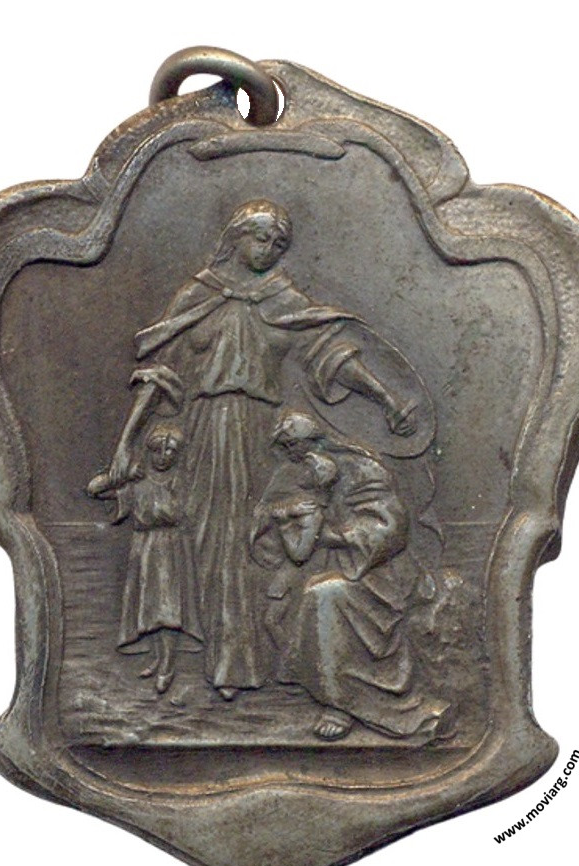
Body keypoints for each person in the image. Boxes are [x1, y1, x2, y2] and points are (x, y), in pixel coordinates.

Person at [103, 198, 430, 700]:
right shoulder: (198, 294)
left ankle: (248, 664)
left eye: (279, 244)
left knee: (253, 542)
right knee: (208, 542)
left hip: (261, 435)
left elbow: (330, 355)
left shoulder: (281, 298)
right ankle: (214, 660)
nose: (269, 250)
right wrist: (127, 444)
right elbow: (158, 375)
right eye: (261, 239)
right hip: (204, 432)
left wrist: (386, 399)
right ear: (235, 237)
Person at [251, 411, 450, 741]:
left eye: (294, 446)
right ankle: (307, 682)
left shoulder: (365, 470)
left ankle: (343, 701)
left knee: (325, 595)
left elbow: (390, 530)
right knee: (278, 598)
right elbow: (275, 517)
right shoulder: (297, 471)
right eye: (285, 448)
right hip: (317, 560)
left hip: (375, 572)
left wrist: (333, 536)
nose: (291, 454)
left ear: (314, 441)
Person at [88, 423, 200, 694]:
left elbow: (184, 512)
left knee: (168, 609)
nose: (163, 457)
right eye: (157, 451)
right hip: (145, 548)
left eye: (169, 452)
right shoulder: (138, 484)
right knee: (150, 607)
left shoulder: (181, 482)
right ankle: (158, 658)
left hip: (170, 547)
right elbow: (94, 490)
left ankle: (168, 665)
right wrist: (121, 476)